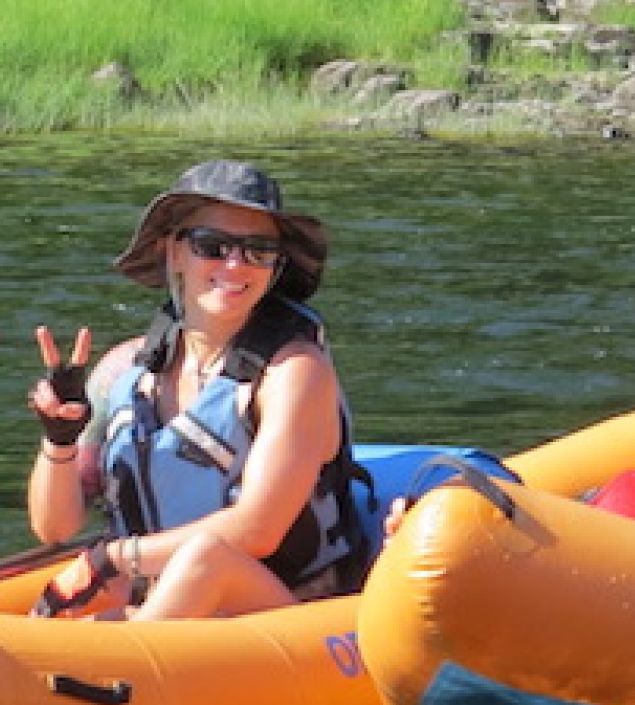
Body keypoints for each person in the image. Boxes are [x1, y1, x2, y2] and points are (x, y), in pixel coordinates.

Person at [24, 159, 373, 620]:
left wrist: (112, 558)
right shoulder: (120, 371)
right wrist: (59, 439)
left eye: (259, 250)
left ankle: (125, 668)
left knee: (205, 560)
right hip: (165, 608)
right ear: (174, 253)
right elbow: (55, 526)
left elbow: (256, 531)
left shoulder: (294, 373)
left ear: (275, 266)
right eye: (212, 245)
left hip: (277, 617)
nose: (235, 265)